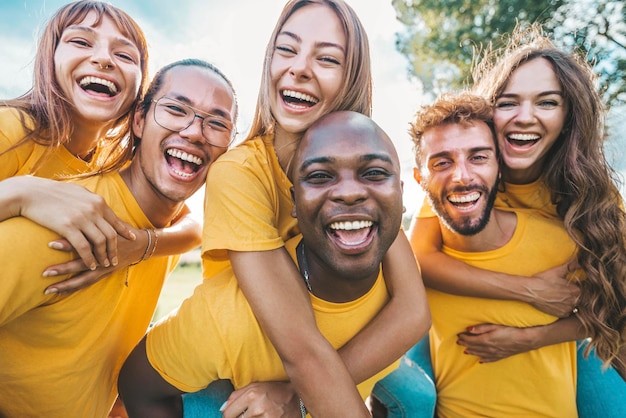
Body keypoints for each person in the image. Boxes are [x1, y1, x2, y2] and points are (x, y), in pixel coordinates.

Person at [182, 1, 427, 416]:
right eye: (287, 49)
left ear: (351, 78)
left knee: (420, 398)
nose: (299, 68)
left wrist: (292, 395)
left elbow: (413, 310)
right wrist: (301, 391)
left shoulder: (363, 172)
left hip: (332, 342)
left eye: (327, 58)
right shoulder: (239, 174)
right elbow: (300, 347)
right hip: (250, 354)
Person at [118, 110, 430, 417]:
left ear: (401, 196)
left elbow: (416, 313)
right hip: (233, 391)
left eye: (374, 173)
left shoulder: (394, 267)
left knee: (420, 395)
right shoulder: (227, 320)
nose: (349, 193)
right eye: (320, 176)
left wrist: (298, 398)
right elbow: (136, 384)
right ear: (294, 202)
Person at [0, 58, 238, 417]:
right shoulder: (64, 227)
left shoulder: (163, 233)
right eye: (176, 109)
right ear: (139, 120)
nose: (194, 132)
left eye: (217, 123)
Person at [409, 24, 626, 377]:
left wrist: (532, 338)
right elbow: (421, 258)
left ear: (569, 116)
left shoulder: (594, 198)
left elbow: (615, 306)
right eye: (508, 102)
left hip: (578, 346)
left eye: (547, 102)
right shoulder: (466, 183)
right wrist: (529, 290)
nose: (525, 117)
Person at [0, 0, 202, 293]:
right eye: (81, 41)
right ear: (50, 56)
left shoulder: (114, 160)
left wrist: (141, 245)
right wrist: (22, 193)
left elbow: (193, 225)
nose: (104, 59)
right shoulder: (12, 128)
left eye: (124, 54)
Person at [409, 92, 578, 416]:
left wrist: (532, 338)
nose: (462, 176)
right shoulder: (409, 264)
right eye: (441, 162)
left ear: (500, 168)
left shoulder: (562, 242)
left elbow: (614, 315)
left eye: (479, 157)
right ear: (420, 179)